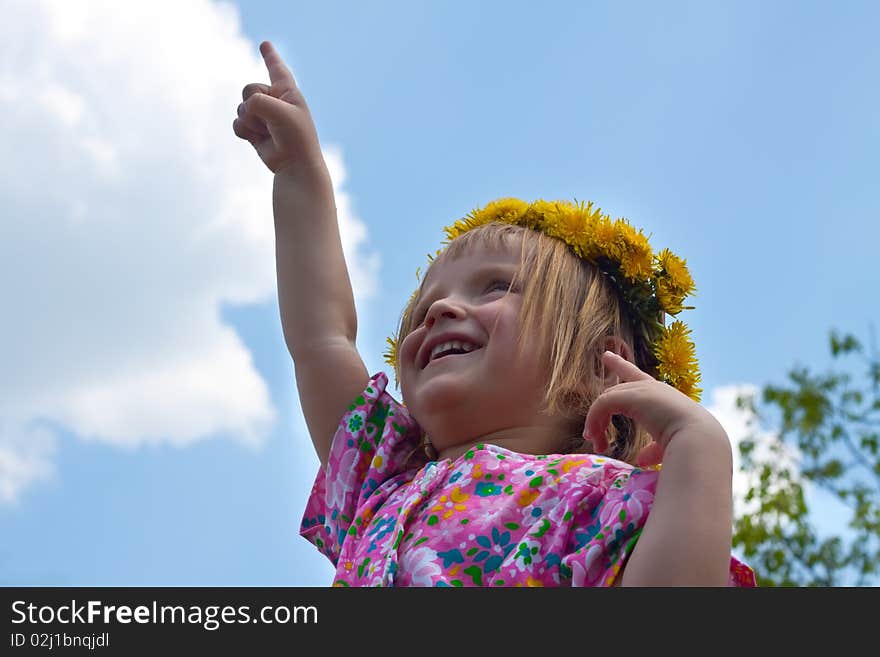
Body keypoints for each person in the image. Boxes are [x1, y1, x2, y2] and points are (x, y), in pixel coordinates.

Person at [233, 41, 756, 587]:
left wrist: (699, 448)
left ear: (603, 368)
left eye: (496, 287)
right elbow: (323, 341)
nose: (438, 308)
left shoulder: (617, 503)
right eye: (422, 307)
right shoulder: (381, 481)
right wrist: (298, 173)